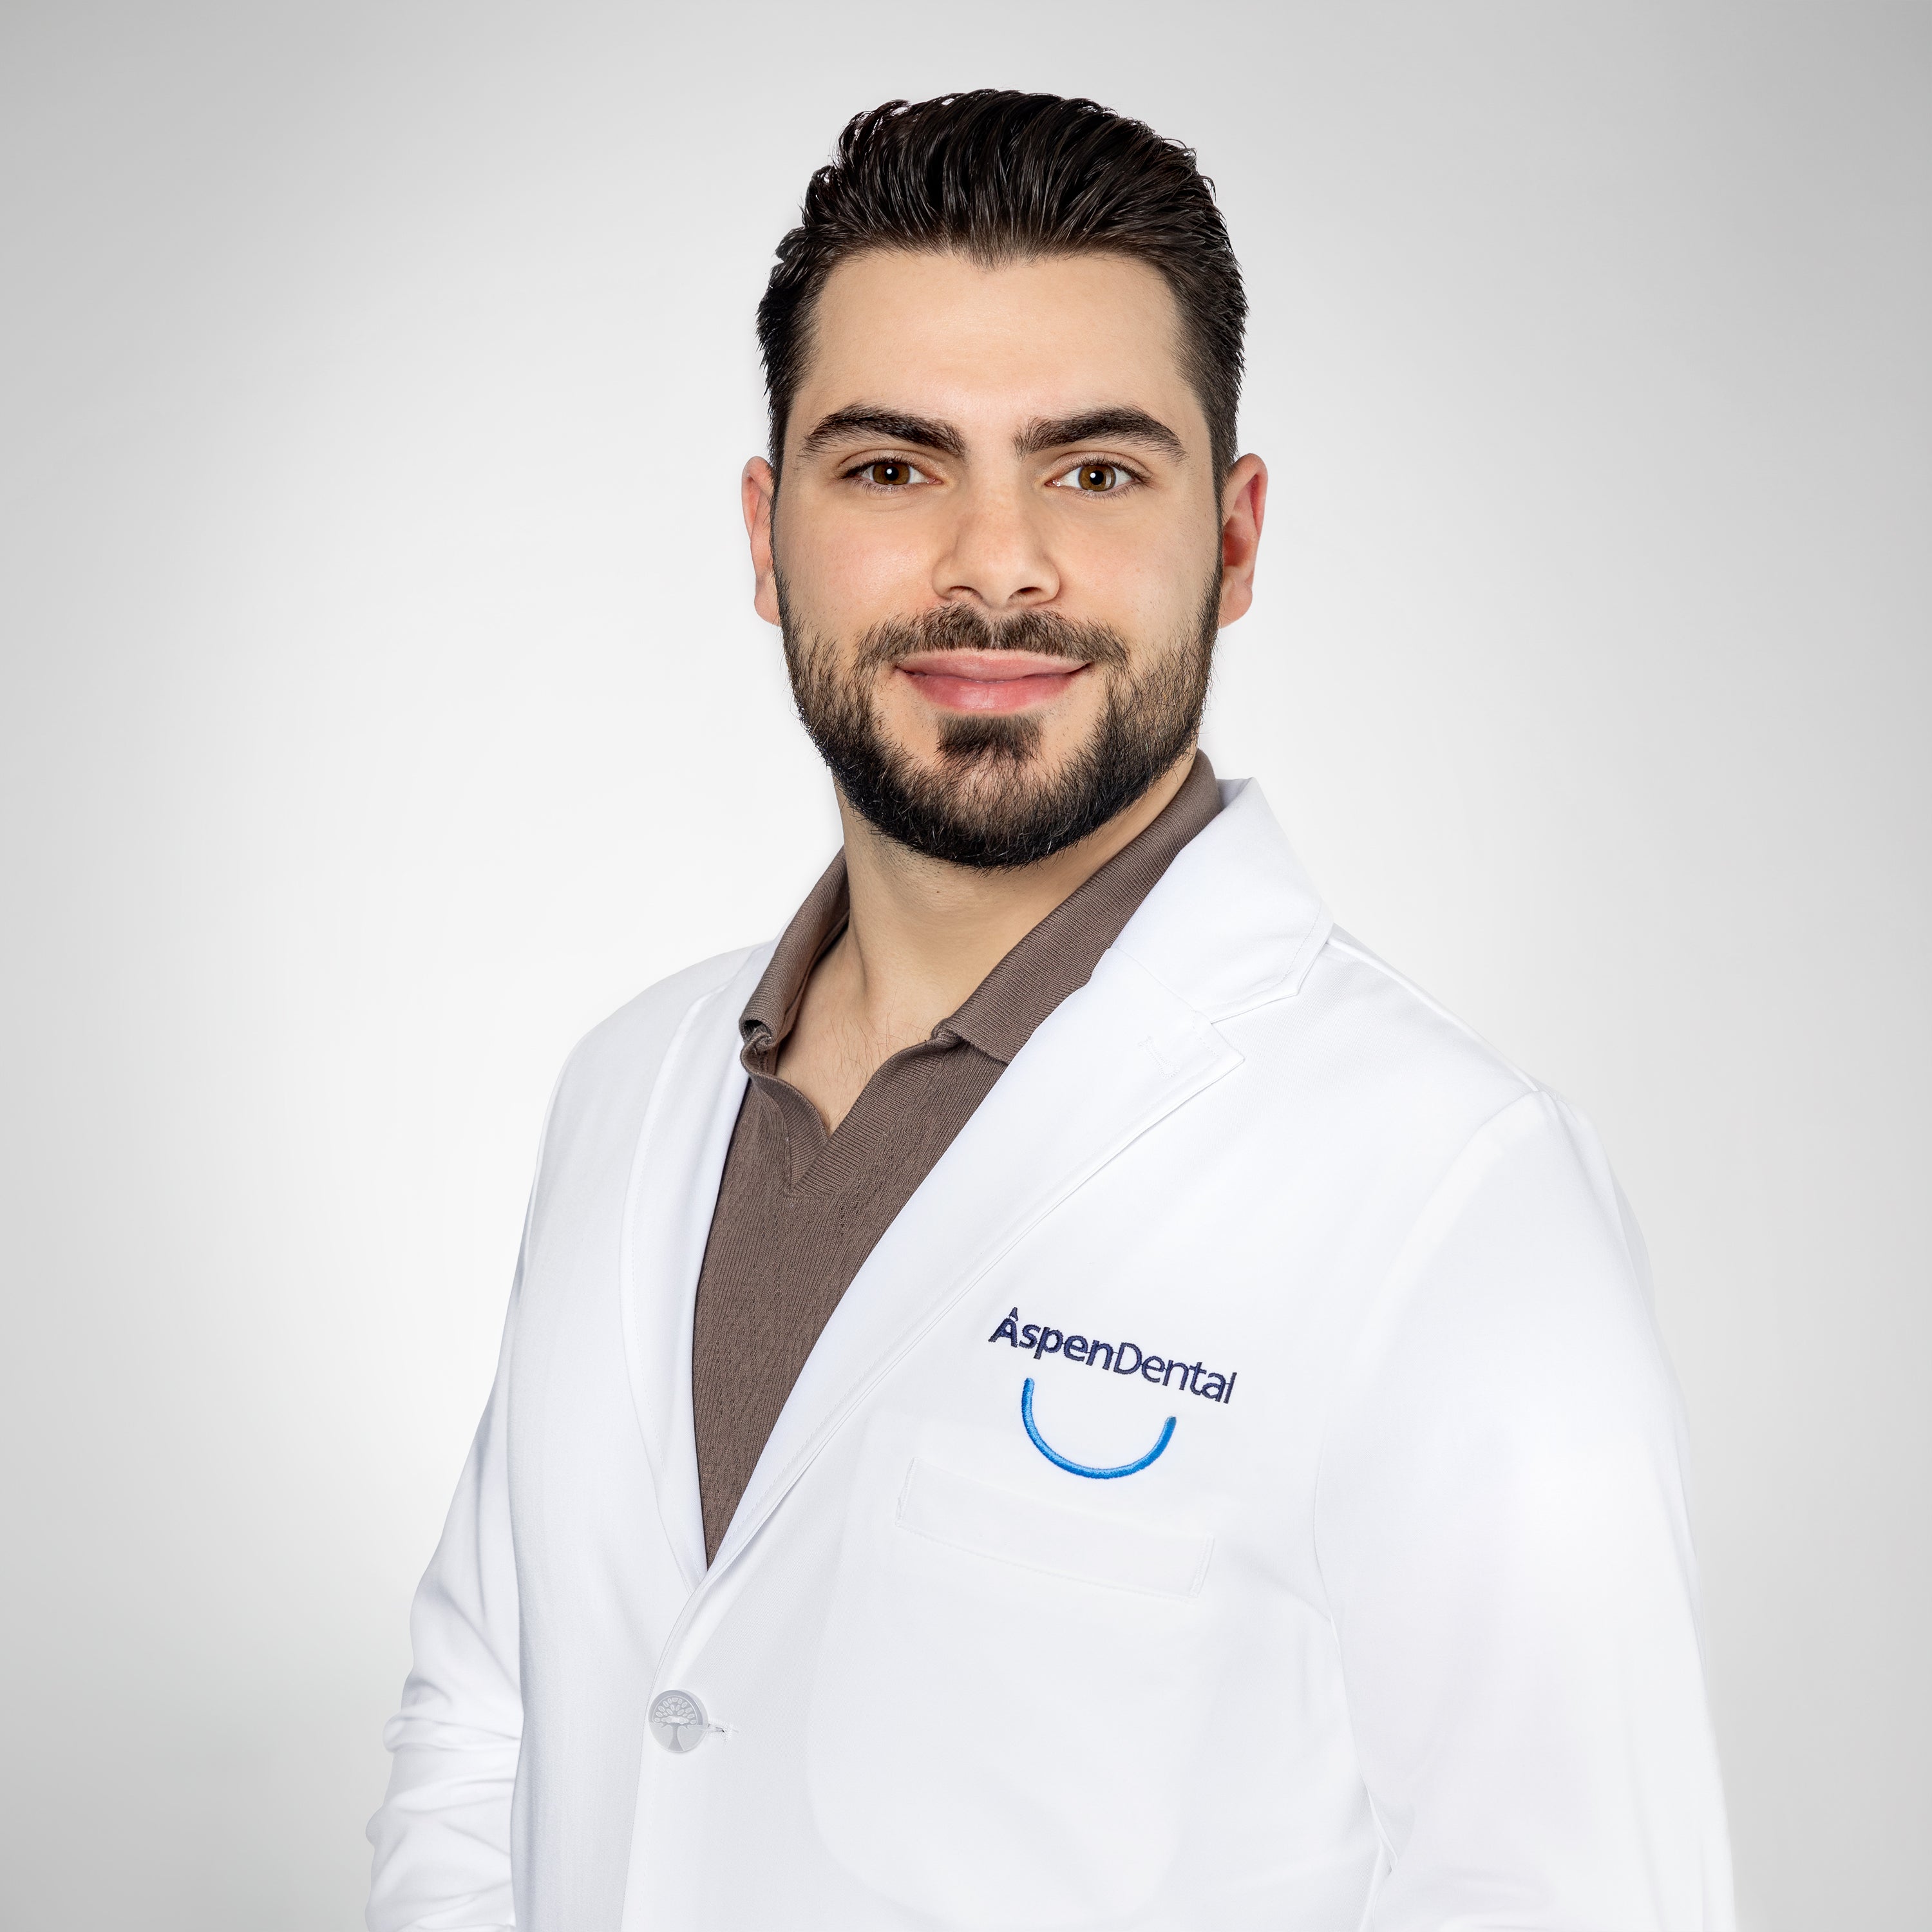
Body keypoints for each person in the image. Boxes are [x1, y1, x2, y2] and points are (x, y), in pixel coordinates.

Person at [366, 91, 1734, 1931]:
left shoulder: (1455, 1193)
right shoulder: (627, 1090)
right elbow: (492, 1721)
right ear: (767, 536)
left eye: (1093, 473)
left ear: (1234, 539)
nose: (994, 564)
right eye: (891, 468)